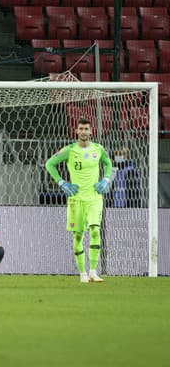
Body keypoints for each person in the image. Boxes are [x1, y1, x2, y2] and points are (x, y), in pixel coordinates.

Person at [45, 117, 112, 283]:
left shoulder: (98, 149)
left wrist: (106, 179)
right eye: (81, 129)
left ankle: (93, 272)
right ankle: (82, 274)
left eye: (86, 129)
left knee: (95, 231)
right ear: (76, 131)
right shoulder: (69, 150)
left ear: (91, 131)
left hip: (94, 198)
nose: (83, 132)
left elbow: (108, 163)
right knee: (78, 236)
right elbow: (49, 164)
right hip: (76, 200)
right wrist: (61, 182)